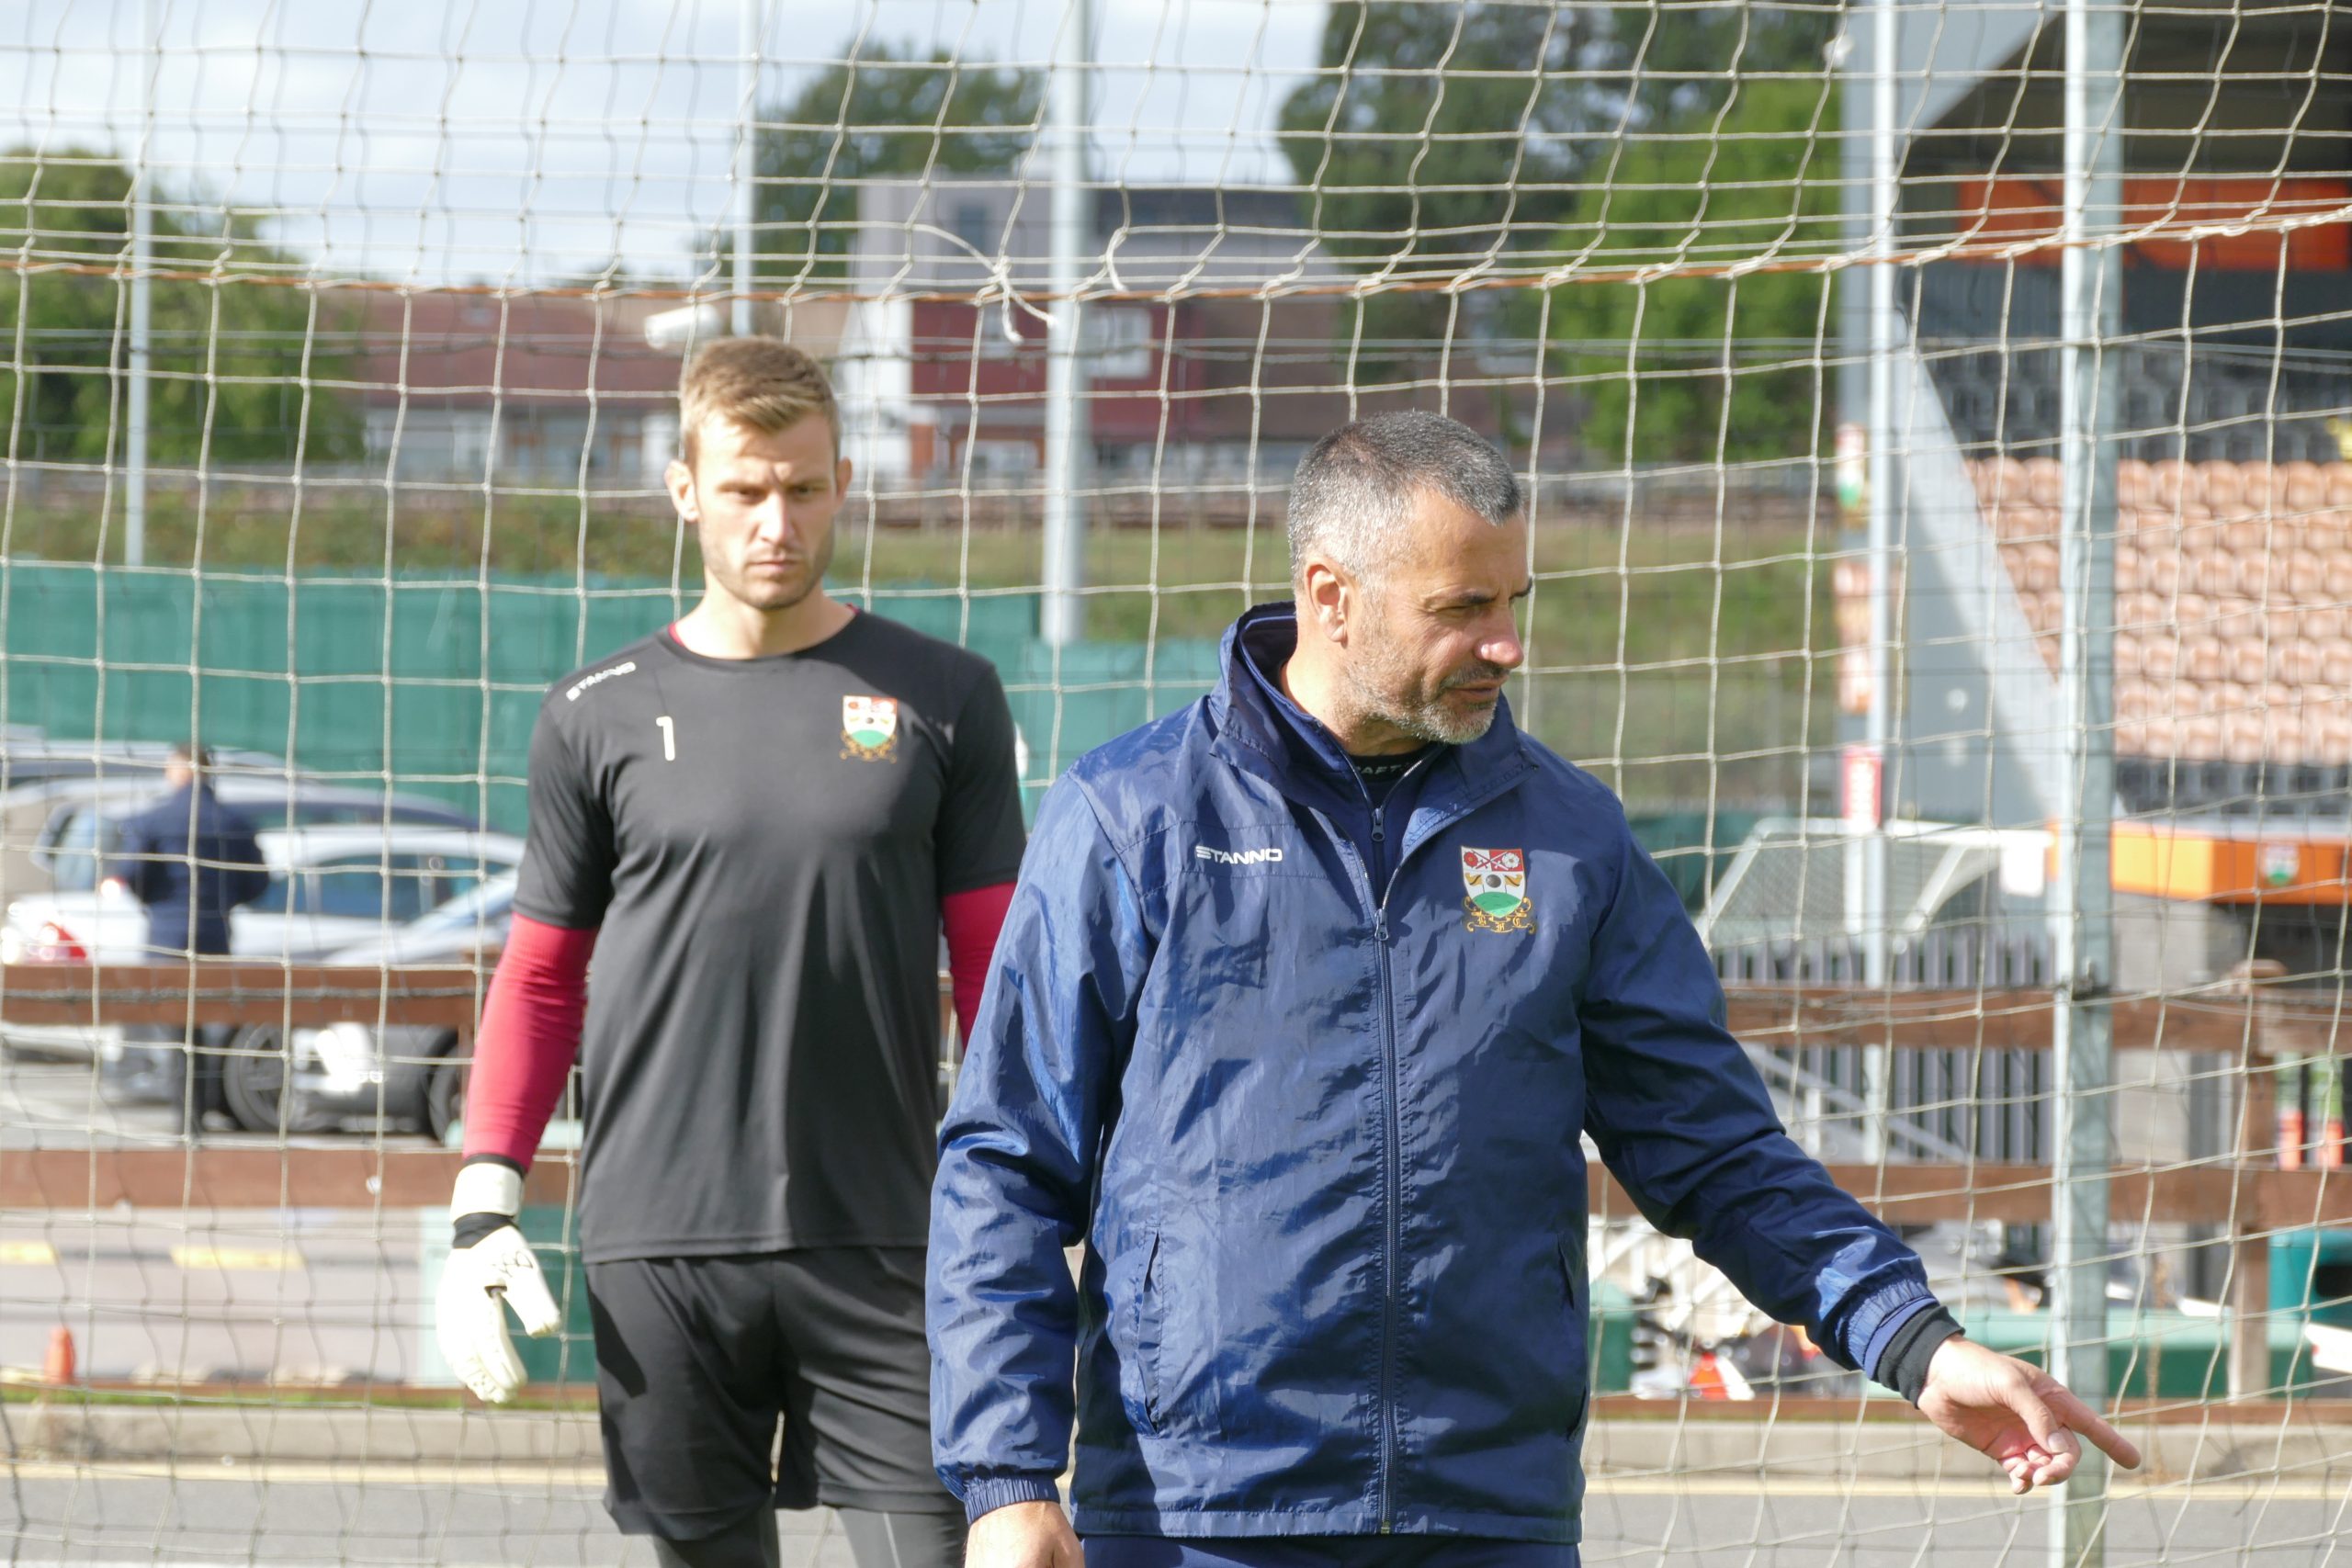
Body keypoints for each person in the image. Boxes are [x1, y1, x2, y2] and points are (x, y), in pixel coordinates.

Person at [927, 412, 2142, 1568]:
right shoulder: (1133, 815)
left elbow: (1715, 1150)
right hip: (1199, 1502)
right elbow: (1007, 1163)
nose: (1505, 642)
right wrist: (1006, 1477)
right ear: (1329, 595)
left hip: (1489, 1502)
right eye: (1462, 608)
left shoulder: (1571, 839)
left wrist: (1913, 1338)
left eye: (1514, 601)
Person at [436, 338, 1027, 1568]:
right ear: (685, 487)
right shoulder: (592, 711)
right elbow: (541, 977)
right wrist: (483, 1202)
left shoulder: (946, 695)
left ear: (844, 483)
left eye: (803, 488)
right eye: (748, 488)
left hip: (885, 1242)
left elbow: (999, 987)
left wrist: (1030, 1203)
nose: (777, 520)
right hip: (660, 1242)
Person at [106, 741, 270, 1134]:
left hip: (166, 938)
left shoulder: (153, 820)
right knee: (206, 1027)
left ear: (181, 770)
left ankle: (186, 1118)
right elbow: (257, 883)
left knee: (176, 1028)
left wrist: (157, 902)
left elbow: (131, 874)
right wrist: (223, 900)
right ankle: (198, 1113)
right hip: (214, 937)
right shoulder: (233, 822)